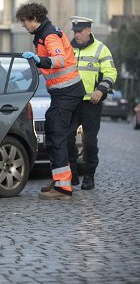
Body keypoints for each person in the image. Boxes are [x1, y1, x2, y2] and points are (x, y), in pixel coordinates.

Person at [16, 3, 86, 200]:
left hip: (67, 92)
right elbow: (48, 65)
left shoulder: (49, 35)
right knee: (55, 133)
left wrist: (39, 61)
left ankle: (63, 188)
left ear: (34, 19)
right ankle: (59, 179)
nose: (23, 26)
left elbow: (59, 61)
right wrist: (24, 74)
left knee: (57, 136)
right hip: (63, 92)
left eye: (24, 22)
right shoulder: (43, 34)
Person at [67, 16, 117, 190]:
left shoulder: (101, 50)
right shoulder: (68, 49)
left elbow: (110, 73)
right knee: (66, 138)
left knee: (89, 141)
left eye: (80, 31)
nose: (77, 35)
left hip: (91, 104)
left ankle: (89, 176)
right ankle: (71, 175)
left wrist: (100, 90)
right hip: (71, 102)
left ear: (88, 30)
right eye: (75, 31)